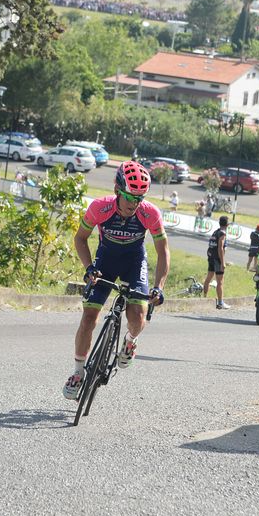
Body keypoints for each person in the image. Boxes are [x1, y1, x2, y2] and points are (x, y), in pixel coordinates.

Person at [63, 161, 169, 400]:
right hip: (105, 261)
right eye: (130, 197)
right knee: (89, 317)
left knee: (138, 317)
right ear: (117, 191)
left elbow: (163, 251)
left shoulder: (149, 212)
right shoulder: (99, 208)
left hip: (134, 262)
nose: (134, 204)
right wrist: (89, 268)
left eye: (139, 198)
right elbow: (80, 239)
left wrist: (158, 288)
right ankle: (78, 373)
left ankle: (130, 342)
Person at [203, 215, 230, 310]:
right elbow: (220, 248)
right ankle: (220, 303)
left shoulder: (215, 232)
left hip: (211, 258)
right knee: (220, 282)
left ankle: (204, 298)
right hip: (217, 260)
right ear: (227, 224)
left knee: (208, 279)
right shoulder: (223, 234)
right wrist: (223, 262)